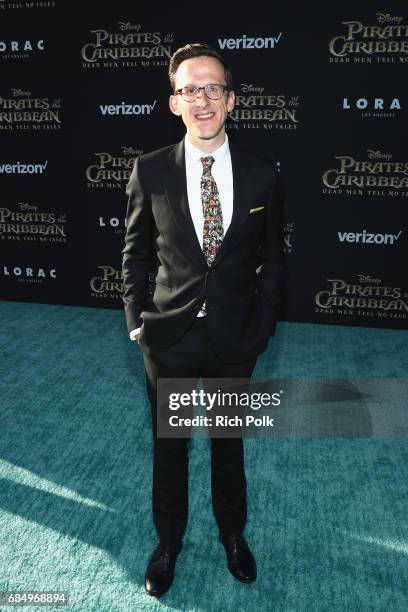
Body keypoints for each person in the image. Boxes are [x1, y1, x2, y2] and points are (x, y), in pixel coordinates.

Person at [121, 42, 285, 598]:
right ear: (175, 103)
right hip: (168, 337)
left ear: (232, 99)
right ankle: (168, 542)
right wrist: (135, 321)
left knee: (228, 443)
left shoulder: (263, 174)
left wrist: (262, 325)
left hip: (234, 339)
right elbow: (135, 254)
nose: (203, 98)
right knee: (170, 448)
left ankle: (233, 535)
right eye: (191, 88)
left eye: (213, 87)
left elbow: (274, 258)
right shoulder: (149, 171)